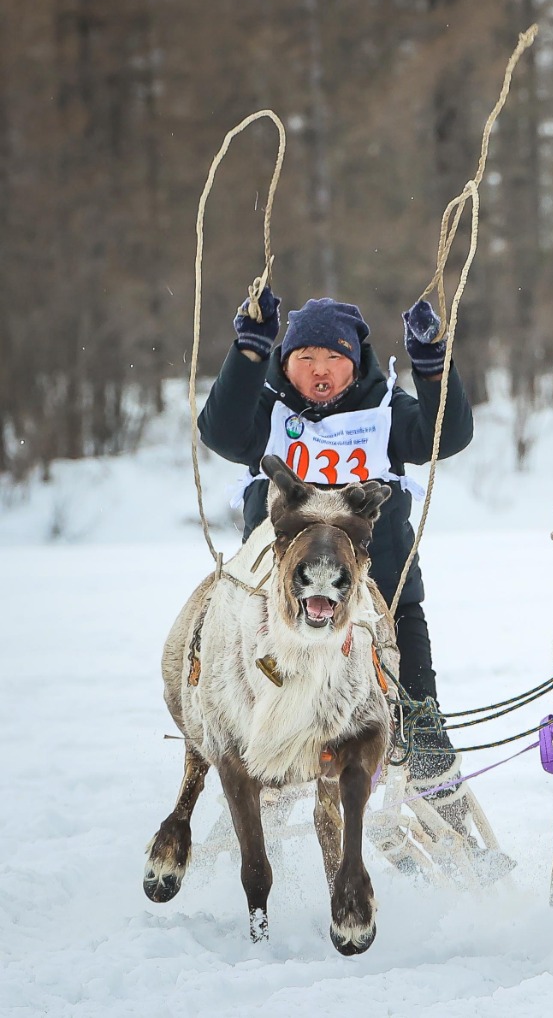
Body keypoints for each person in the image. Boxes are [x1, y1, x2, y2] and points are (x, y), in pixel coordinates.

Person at [198, 284, 481, 842]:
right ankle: (253, 830)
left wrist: (432, 366)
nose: (320, 370)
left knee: (420, 723)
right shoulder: (268, 413)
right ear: (287, 362)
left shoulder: (384, 412)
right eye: (305, 358)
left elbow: (447, 435)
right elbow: (220, 432)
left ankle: (457, 835)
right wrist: (249, 351)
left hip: (387, 604)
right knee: (269, 724)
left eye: (334, 357)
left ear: (356, 363)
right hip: (280, 613)